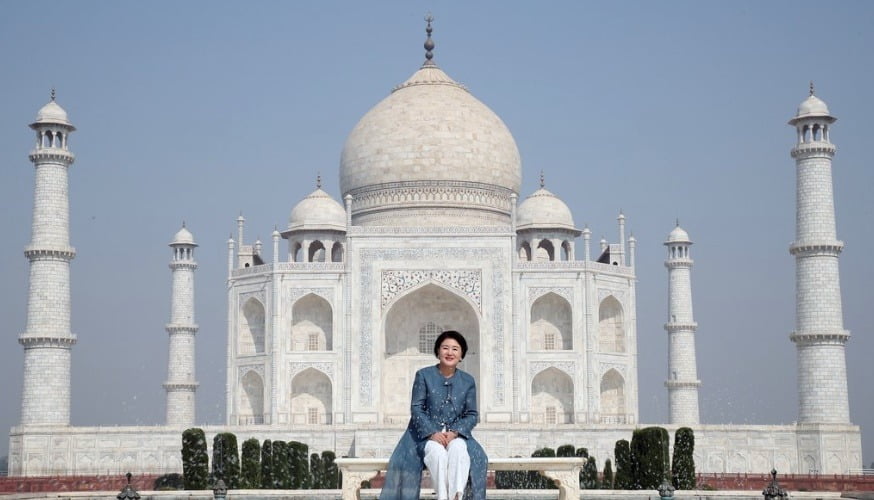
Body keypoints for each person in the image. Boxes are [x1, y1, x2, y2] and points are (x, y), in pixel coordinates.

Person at [379, 330, 488, 500]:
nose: (449, 353)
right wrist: (431, 433)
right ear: (438, 351)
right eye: (445, 348)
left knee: (460, 450)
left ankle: (456, 496)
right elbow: (417, 408)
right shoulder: (424, 375)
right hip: (425, 436)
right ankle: (443, 497)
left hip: (456, 434)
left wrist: (455, 432)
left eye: (455, 349)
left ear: (461, 355)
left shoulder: (467, 380)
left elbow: (472, 414)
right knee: (437, 453)